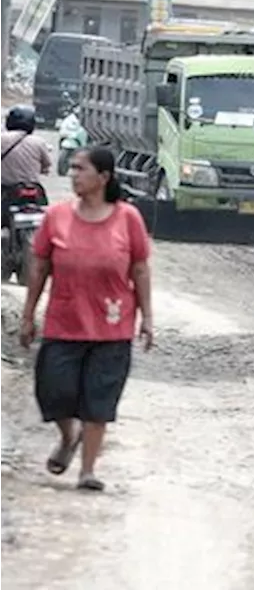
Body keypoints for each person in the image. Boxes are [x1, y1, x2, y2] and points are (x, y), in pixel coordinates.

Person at [18, 146, 154, 491]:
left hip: (113, 326)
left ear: (103, 177)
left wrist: (147, 318)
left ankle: (88, 470)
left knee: (99, 400)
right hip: (64, 322)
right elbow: (40, 267)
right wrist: (28, 314)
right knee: (54, 392)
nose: (73, 174)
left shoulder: (128, 218)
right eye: (73, 168)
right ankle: (68, 436)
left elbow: (139, 268)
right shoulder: (57, 217)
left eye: (81, 169)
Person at [0, 106, 52, 219]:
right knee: (46, 215)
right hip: (34, 188)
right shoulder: (39, 142)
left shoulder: (1, 138)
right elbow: (47, 165)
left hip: (6, 189)